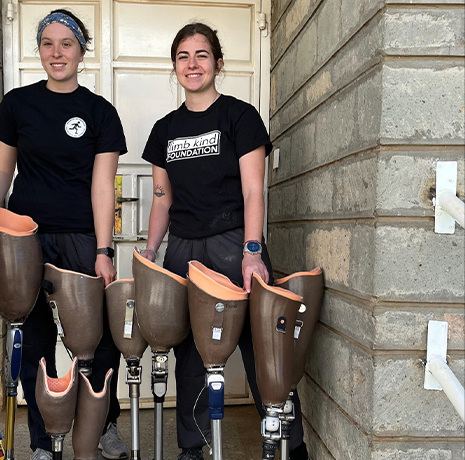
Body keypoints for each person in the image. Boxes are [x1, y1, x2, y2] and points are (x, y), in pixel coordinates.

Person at [139, 22, 310, 460]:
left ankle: (288, 446)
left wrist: (253, 250)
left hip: (235, 242)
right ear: (174, 66)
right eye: (183, 56)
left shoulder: (239, 116)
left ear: (217, 63)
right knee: (191, 354)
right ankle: (192, 449)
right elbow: (162, 199)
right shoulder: (165, 129)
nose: (192, 64)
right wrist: (151, 251)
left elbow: (255, 190)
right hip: (184, 248)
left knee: (262, 347)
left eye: (201, 55)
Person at [0, 9, 128, 460]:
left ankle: (105, 424)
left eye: (66, 44)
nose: (56, 53)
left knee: (98, 341)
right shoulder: (18, 104)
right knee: (34, 340)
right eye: (47, 44)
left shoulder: (100, 113)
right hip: (25, 240)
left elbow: (103, 186)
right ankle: (43, 440)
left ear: (82, 51)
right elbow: (3, 168)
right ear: (39, 50)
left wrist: (103, 249)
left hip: (81, 237)